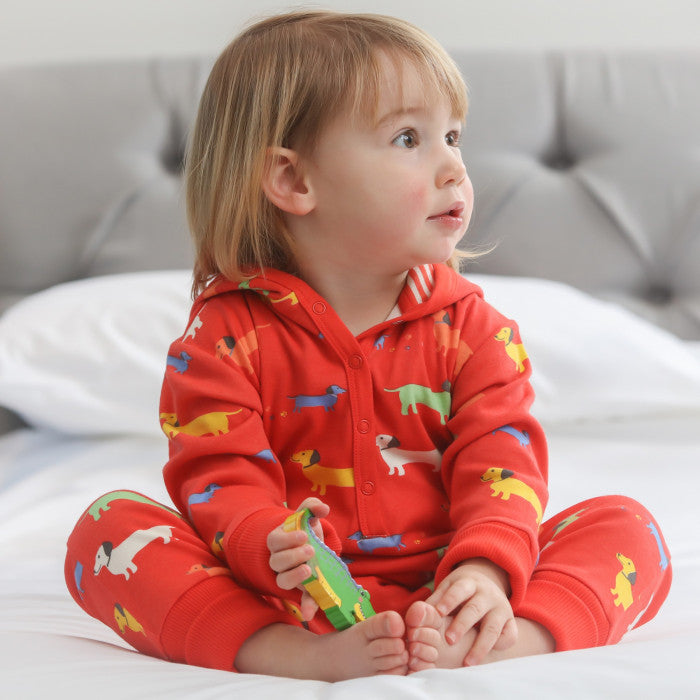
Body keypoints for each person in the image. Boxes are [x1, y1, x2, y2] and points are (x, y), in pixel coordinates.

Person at [65, 10, 672, 681]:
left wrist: (483, 572)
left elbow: (502, 463)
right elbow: (218, 471)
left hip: (449, 587)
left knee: (630, 528)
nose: (454, 167)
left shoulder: (475, 330)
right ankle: (288, 654)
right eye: (409, 138)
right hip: (291, 595)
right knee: (108, 530)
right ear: (294, 181)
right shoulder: (223, 338)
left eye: (453, 136)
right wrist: (270, 544)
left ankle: (502, 638)